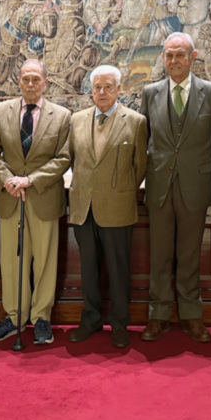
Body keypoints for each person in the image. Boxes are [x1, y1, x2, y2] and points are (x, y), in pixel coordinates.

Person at [140, 32, 211, 343]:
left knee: (189, 256)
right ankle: (158, 315)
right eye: (169, 55)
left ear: (193, 56)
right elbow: (145, 139)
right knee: (160, 256)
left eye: (180, 55)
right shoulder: (150, 93)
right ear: (163, 58)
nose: (173, 60)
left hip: (195, 185)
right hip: (160, 185)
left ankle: (192, 316)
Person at [0, 59, 71, 345]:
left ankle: (41, 317)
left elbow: (64, 157)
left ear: (45, 82)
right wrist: (8, 179)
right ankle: (14, 316)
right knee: (12, 259)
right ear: (18, 82)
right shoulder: (1, 111)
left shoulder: (61, 116)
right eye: (25, 79)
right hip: (11, 197)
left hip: (43, 196)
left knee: (45, 259)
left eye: (36, 79)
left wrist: (31, 179)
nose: (31, 84)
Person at [68, 65, 147, 348]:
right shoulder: (76, 120)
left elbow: (139, 168)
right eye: (97, 87)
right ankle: (90, 319)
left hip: (117, 206)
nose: (102, 92)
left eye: (108, 87)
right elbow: (70, 159)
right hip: (83, 207)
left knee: (118, 270)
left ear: (119, 90)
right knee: (88, 269)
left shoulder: (136, 121)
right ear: (91, 91)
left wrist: (117, 190)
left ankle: (119, 323)